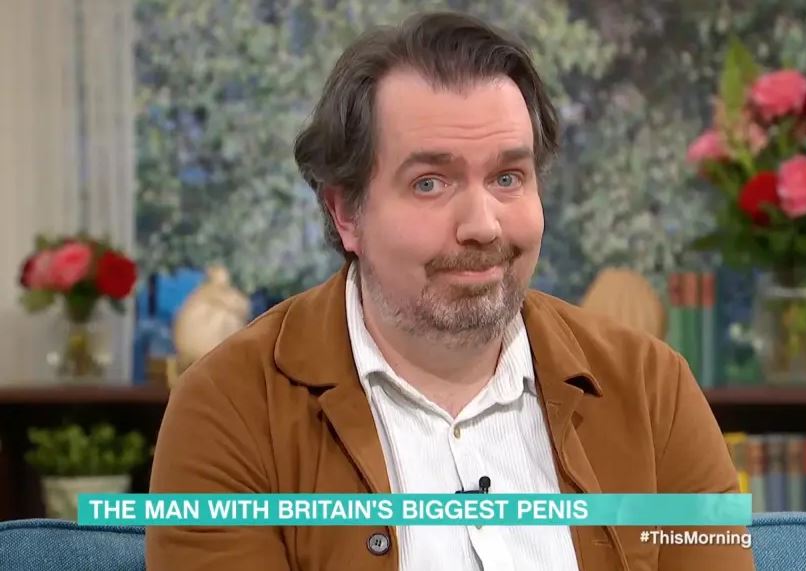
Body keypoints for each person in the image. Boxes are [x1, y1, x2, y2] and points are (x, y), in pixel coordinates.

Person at [146, 11, 754, 571]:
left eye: (508, 177)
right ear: (346, 212)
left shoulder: (651, 389)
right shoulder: (229, 407)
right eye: (431, 183)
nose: (482, 225)